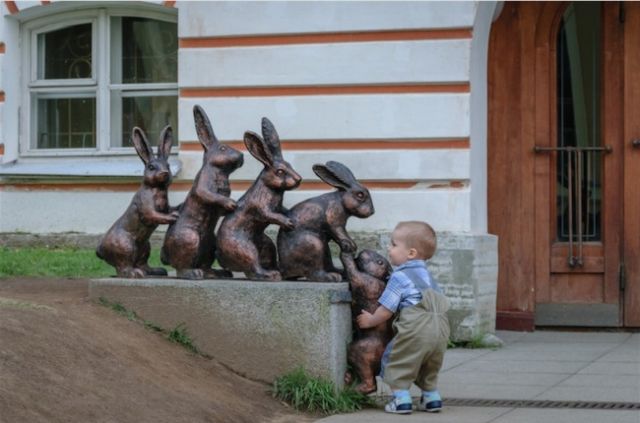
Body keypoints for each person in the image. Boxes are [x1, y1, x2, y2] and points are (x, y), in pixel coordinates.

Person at [357, 220, 450, 415]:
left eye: (393, 244)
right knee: (429, 361)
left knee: (398, 357)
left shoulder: (400, 277)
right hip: (440, 327)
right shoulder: (428, 275)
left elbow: (387, 309)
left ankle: (401, 399)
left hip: (417, 326)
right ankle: (431, 397)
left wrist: (371, 320)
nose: (389, 249)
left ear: (411, 253)